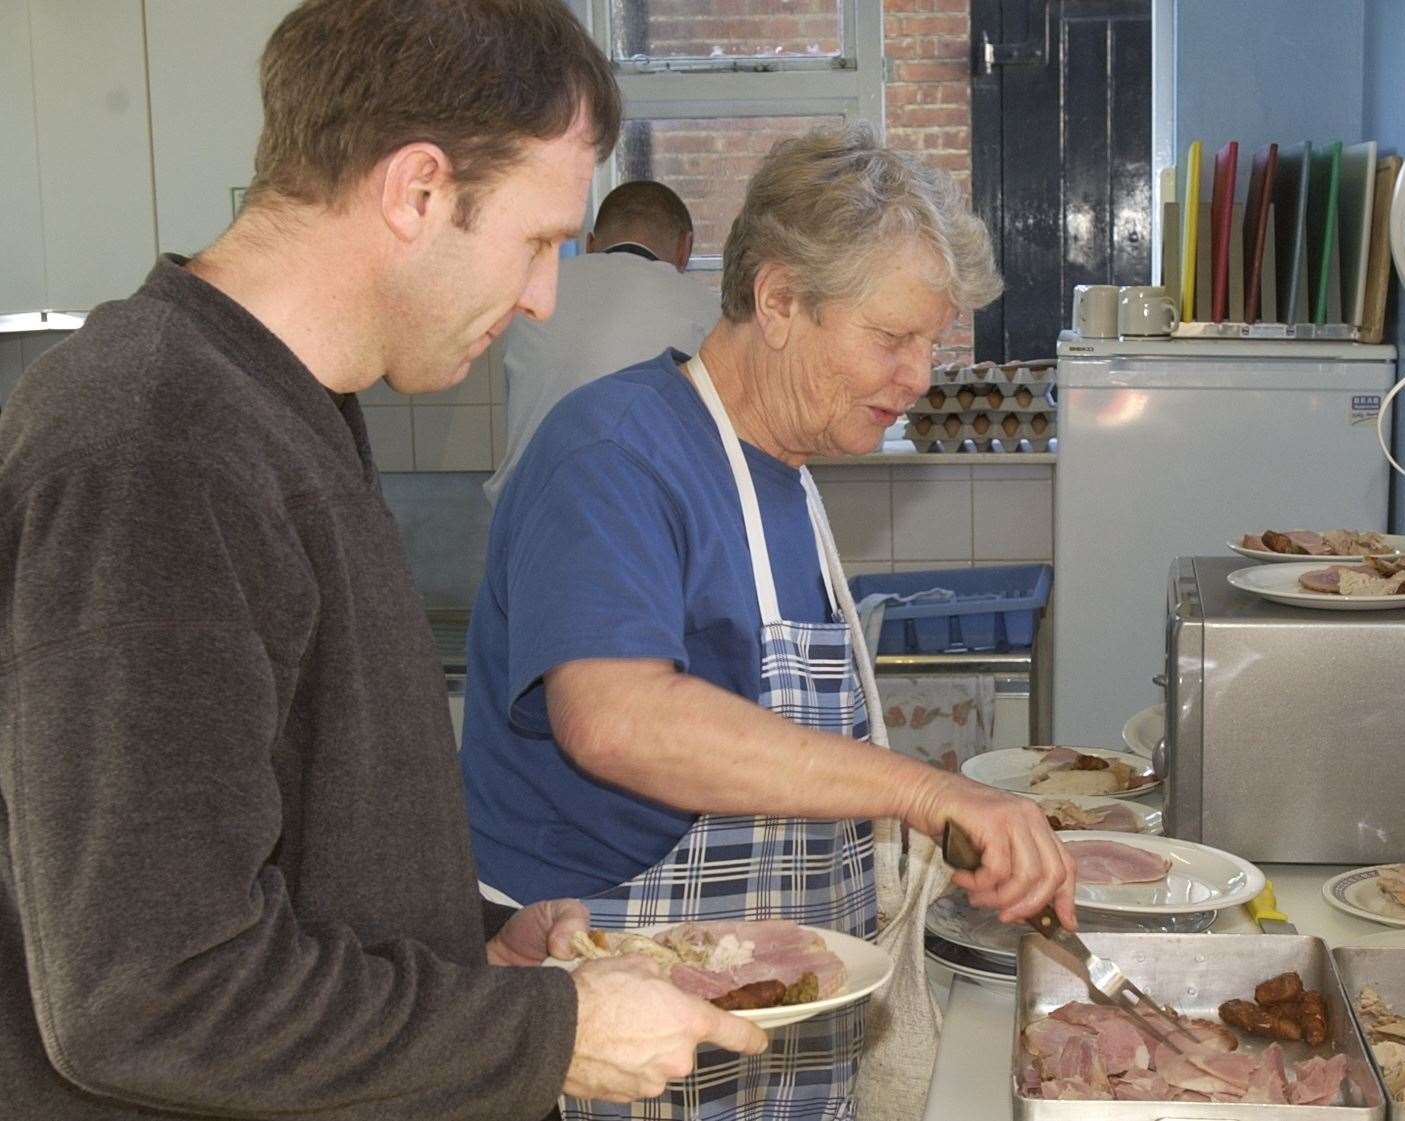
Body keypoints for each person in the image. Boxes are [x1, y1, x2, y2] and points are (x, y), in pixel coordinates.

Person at [0, 4, 765, 1119]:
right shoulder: (157, 446)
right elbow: (149, 991)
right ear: (416, 190)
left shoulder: (278, 409)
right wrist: (547, 1033)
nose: (546, 295)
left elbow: (278, 853)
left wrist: (470, 950)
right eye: (539, 240)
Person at [458, 124, 1076, 1121]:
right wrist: (923, 794)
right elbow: (616, 717)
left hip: (764, 1036)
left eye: (931, 342)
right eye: (893, 338)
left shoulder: (783, 473)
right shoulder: (615, 453)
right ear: (781, 299)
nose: (920, 375)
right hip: (615, 1044)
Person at [486, 181, 720, 506]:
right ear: (686, 248)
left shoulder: (534, 296)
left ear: (591, 244)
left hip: (524, 511)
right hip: (638, 519)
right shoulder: (706, 312)